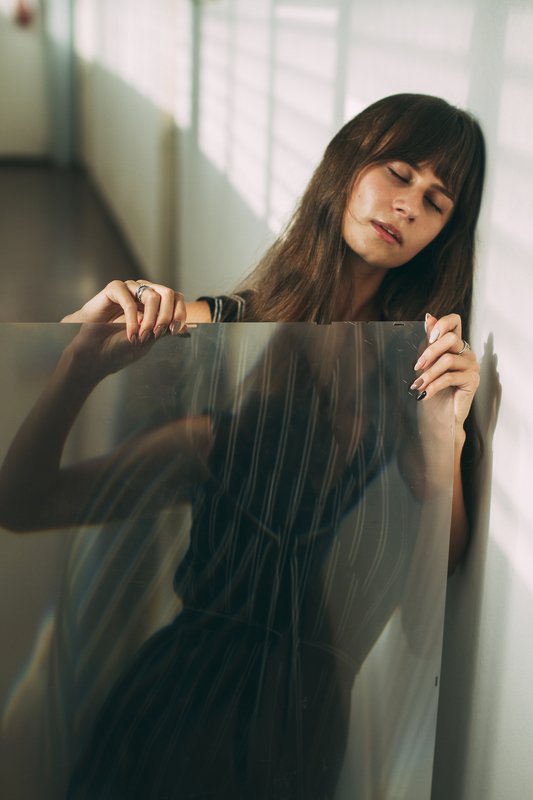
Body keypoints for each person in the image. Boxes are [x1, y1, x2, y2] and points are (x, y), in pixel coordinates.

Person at [1, 94, 485, 799]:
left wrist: (443, 440)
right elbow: (22, 503)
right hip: (175, 716)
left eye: (436, 201)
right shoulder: (225, 351)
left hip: (309, 737)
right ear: (345, 168)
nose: (408, 205)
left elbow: (424, 607)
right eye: (398, 172)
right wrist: (78, 367)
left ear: (444, 233)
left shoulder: (416, 379)